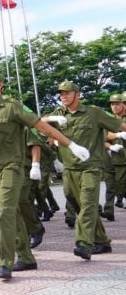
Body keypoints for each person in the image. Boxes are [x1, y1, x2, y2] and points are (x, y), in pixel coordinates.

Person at [0, 71, 90, 280]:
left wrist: (71, 144)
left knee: (4, 212)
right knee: (11, 213)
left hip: (12, 167)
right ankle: (26, 257)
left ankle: (5, 261)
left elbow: (41, 126)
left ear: (0, 84)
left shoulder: (13, 106)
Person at [44, 81, 126, 260]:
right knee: (78, 203)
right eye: (61, 93)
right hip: (69, 168)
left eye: (67, 93)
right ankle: (102, 241)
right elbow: (40, 123)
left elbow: (119, 126)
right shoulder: (58, 114)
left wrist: (121, 135)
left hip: (90, 167)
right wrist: (52, 122)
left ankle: (84, 243)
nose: (63, 96)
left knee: (88, 203)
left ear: (77, 94)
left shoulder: (93, 113)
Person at [106, 94, 125, 210]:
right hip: (118, 158)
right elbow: (105, 137)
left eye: (117, 104)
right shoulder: (109, 121)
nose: (115, 107)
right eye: (112, 104)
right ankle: (119, 199)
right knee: (118, 183)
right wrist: (111, 146)